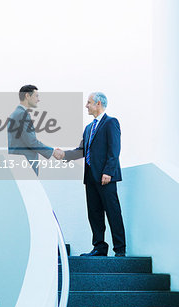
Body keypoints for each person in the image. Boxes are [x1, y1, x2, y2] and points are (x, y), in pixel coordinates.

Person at [54, 92, 126, 256]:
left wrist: (108, 171)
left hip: (106, 177)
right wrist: (64, 155)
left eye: (89, 102)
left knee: (113, 212)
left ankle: (120, 249)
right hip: (91, 178)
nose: (86, 105)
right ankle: (99, 247)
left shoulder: (111, 123)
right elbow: (81, 150)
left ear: (98, 103)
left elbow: (114, 149)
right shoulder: (88, 129)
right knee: (94, 214)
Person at [7, 85, 56, 175]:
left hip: (19, 164)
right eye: (36, 96)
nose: (38, 99)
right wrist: (53, 152)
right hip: (26, 166)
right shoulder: (22, 114)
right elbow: (31, 142)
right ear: (27, 96)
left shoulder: (15, 113)